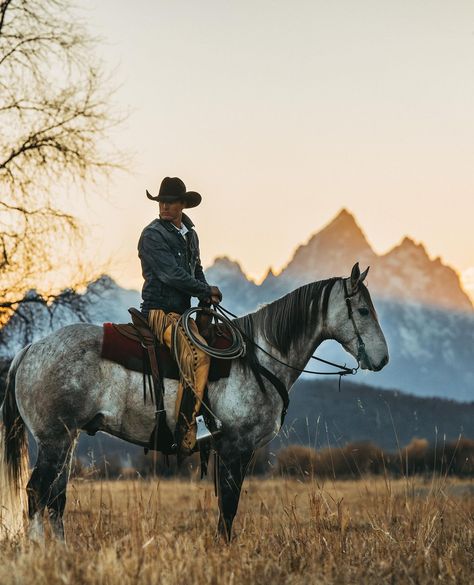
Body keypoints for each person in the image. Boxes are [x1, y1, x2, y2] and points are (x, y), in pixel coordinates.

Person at [138, 176, 222, 455]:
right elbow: (171, 275)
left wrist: (205, 296)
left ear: (183, 205)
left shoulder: (190, 234)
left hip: (183, 312)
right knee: (198, 355)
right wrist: (203, 288)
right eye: (162, 201)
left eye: (171, 202)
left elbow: (195, 269)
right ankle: (187, 430)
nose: (164, 206)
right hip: (159, 312)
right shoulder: (152, 235)